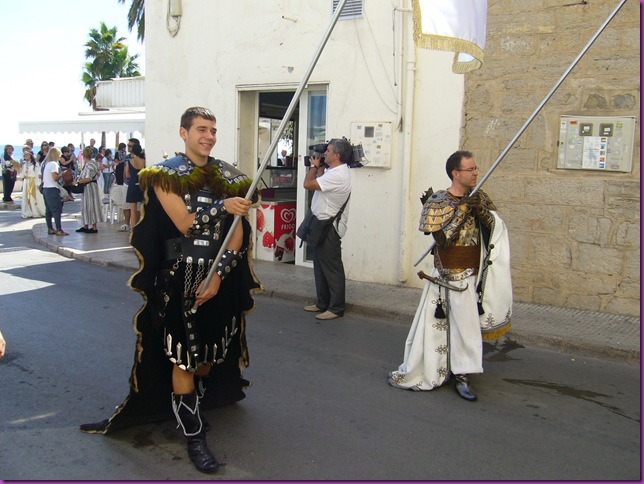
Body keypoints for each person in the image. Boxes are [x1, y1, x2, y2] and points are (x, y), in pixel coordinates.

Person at [80, 107, 261, 474]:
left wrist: (218, 276)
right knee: (184, 359)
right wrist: (223, 206)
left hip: (218, 279)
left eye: (213, 130)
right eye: (201, 129)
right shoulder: (165, 175)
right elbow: (185, 223)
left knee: (209, 357)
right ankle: (195, 438)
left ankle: (193, 403)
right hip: (180, 278)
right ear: (184, 133)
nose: (209, 136)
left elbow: (236, 237)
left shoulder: (230, 177)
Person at [388, 150, 513, 401]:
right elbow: (443, 241)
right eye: (471, 169)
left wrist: (481, 211)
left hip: (474, 273)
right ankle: (441, 369)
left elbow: (495, 229)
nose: (476, 173)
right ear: (456, 173)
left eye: (476, 168)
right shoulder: (438, 201)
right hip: (448, 272)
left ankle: (462, 373)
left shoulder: (479, 197)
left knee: (467, 328)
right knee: (441, 327)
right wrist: (463, 210)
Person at [302, 139, 352, 320]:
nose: (324, 153)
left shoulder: (338, 175)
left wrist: (313, 167)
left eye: (328, 151)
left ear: (337, 155)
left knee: (331, 268)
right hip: (321, 224)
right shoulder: (333, 171)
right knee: (320, 267)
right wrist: (320, 168)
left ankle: (336, 308)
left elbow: (308, 184)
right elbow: (321, 181)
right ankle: (322, 303)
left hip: (329, 228)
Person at [75, 147, 104, 233]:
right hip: (89, 187)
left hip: (89, 187)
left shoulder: (90, 165)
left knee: (91, 205)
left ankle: (93, 227)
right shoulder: (92, 164)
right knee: (86, 206)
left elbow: (88, 178)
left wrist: (77, 181)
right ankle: (86, 225)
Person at [41, 147, 68, 236]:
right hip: (52, 189)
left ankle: (50, 228)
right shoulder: (54, 164)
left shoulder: (47, 164)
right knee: (57, 210)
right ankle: (59, 229)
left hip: (45, 189)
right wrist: (61, 174)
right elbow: (55, 177)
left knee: (48, 210)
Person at [19, 148, 46, 218]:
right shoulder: (25, 164)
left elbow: (37, 174)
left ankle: (36, 211)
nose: (26, 156)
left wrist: (38, 183)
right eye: (25, 155)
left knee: (34, 197)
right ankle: (28, 211)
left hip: (33, 181)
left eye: (27, 154)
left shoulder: (35, 164)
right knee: (26, 197)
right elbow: (22, 173)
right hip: (26, 182)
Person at [124, 143, 146, 229]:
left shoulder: (129, 162)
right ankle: (142, 228)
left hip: (132, 185)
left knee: (133, 210)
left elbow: (127, 175)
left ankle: (133, 229)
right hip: (141, 185)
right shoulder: (144, 161)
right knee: (142, 209)